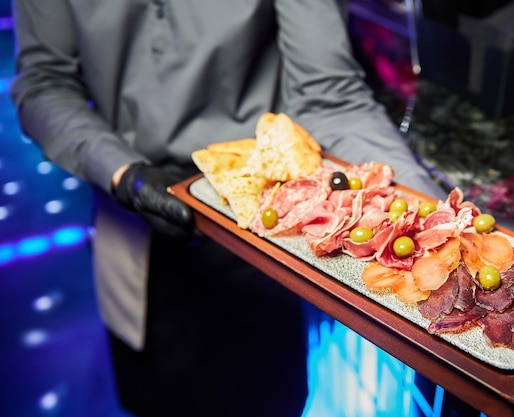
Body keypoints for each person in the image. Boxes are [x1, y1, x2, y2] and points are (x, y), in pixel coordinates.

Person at [10, 1, 448, 416]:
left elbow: (329, 97)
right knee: (158, 397)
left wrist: (436, 222)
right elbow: (44, 82)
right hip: (134, 226)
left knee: (266, 397)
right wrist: (123, 174)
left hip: (260, 233)